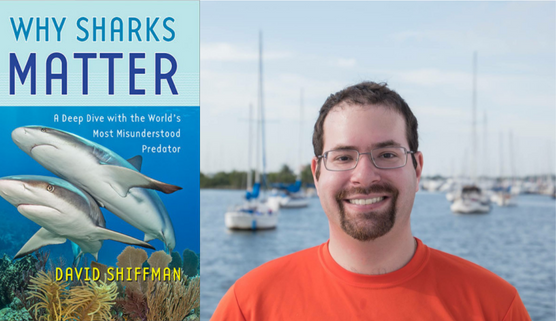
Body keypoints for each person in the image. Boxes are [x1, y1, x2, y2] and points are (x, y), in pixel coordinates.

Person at [211, 81, 531, 320]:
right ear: (317, 173)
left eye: (387, 154)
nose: (364, 176)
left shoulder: (494, 307)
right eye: (343, 156)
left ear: (417, 169)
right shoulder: (250, 305)